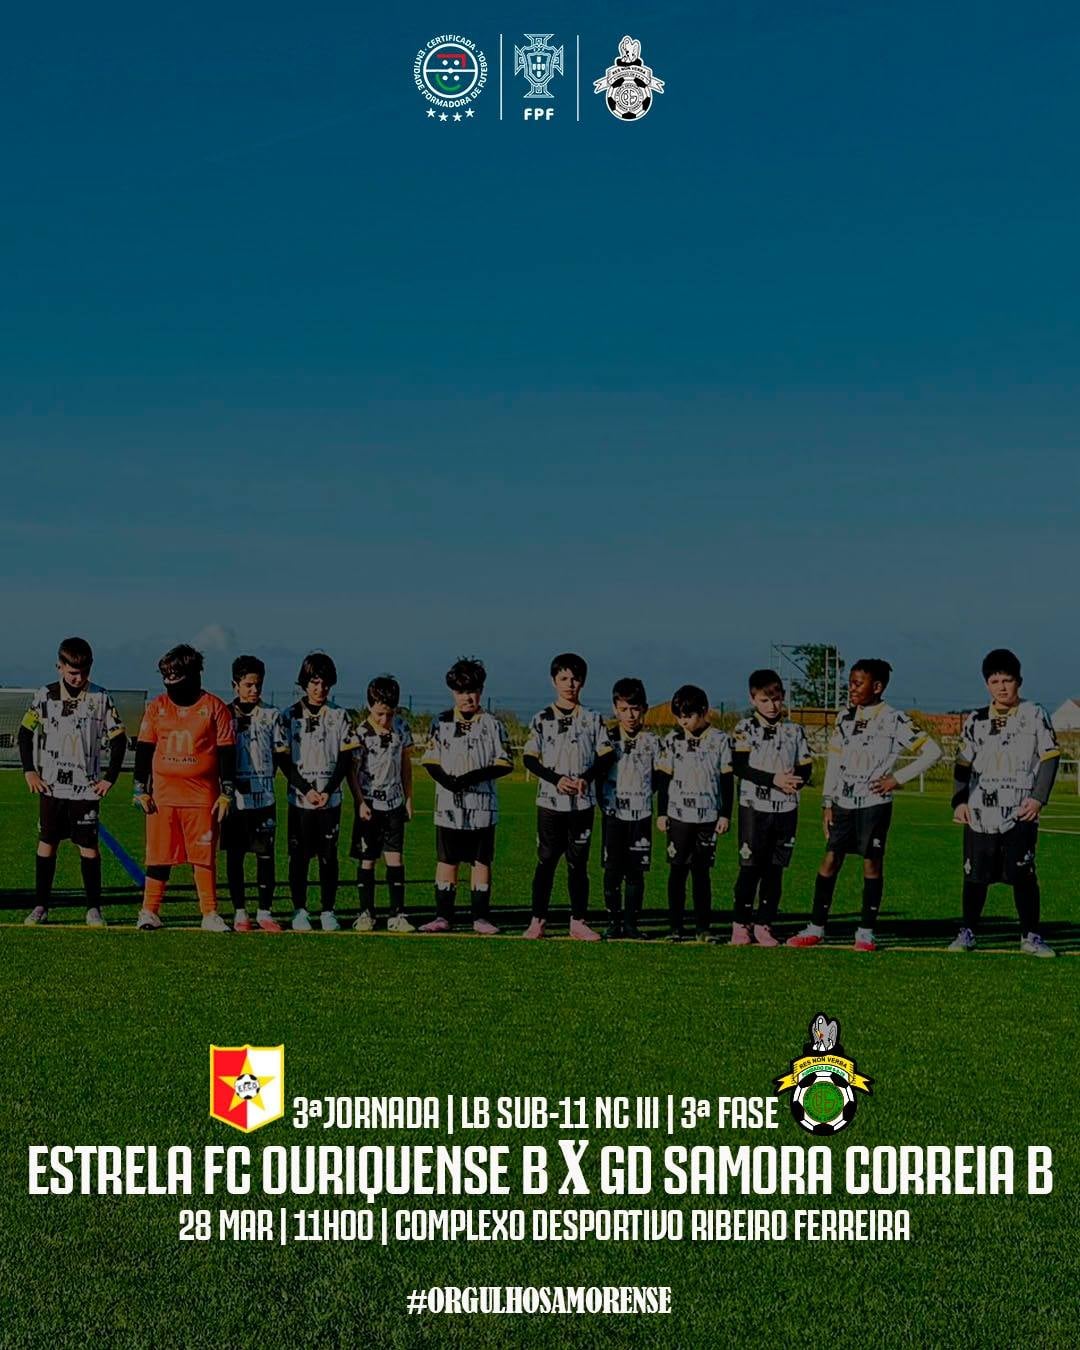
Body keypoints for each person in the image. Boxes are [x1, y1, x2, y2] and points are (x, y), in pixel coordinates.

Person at [787, 658, 941, 952]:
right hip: (843, 803)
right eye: (851, 683)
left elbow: (933, 751)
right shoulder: (844, 718)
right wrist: (827, 801)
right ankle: (816, 927)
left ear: (878, 687)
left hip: (874, 804)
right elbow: (835, 760)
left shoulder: (894, 719)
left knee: (871, 862)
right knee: (830, 859)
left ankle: (866, 932)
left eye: (859, 683)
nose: (852, 688)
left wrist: (896, 778)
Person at [949, 649, 1061, 957]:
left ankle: (1031, 935)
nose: (1001, 687)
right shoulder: (976, 720)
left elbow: (1050, 756)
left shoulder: (1034, 713)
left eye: (1007, 680)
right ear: (987, 684)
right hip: (980, 812)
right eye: (995, 681)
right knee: (975, 875)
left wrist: (1038, 798)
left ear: (1018, 682)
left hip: (1020, 810)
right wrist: (959, 801)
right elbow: (962, 763)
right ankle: (968, 931)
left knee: (1023, 874)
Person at [20, 637, 127, 927]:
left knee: (89, 847)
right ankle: (41, 906)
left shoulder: (101, 698)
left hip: (86, 789)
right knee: (47, 844)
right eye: (72, 673)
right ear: (59, 667)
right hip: (51, 786)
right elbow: (25, 733)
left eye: (84, 672)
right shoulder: (45, 696)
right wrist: (30, 771)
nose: (78, 678)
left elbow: (119, 740)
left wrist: (109, 779)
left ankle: (93, 909)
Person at [133, 644, 234, 932]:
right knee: (158, 855)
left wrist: (226, 792)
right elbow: (144, 749)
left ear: (192, 674)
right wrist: (140, 788)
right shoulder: (157, 708)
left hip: (202, 798)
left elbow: (227, 752)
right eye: (165, 675)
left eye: (175, 674)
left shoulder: (215, 708)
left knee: (203, 857)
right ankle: (149, 912)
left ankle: (209, 914)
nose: (169, 681)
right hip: (163, 799)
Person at [522, 653, 614, 940]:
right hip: (550, 804)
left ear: (582, 682)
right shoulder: (541, 718)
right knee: (546, 862)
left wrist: (586, 778)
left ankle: (578, 921)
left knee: (578, 865)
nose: (569, 684)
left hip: (582, 805)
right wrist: (556, 780)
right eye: (563, 678)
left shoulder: (592, 718)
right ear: (554, 681)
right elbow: (529, 758)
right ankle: (538, 920)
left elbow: (606, 755)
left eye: (575, 679)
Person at [419, 657, 513, 934]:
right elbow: (430, 759)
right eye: (461, 691)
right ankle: (442, 916)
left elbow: (505, 762)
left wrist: (472, 777)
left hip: (482, 806)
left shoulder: (493, 724)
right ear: (453, 692)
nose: (466, 697)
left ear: (481, 690)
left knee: (480, 861)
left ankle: (481, 917)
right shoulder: (441, 722)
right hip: (448, 806)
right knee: (447, 860)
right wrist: (448, 781)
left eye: (472, 691)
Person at [730, 669, 813, 946]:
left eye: (776, 699)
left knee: (775, 870)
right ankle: (740, 923)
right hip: (754, 808)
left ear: (783, 697)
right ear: (753, 699)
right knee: (750, 868)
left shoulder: (794, 730)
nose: (772, 705)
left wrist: (795, 782)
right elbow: (740, 767)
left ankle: (764, 924)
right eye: (765, 700)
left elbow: (806, 766)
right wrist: (774, 779)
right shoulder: (745, 728)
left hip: (786, 809)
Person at [279, 652, 358, 931]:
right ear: (304, 683)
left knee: (328, 856)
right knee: (299, 857)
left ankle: (328, 911)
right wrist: (305, 789)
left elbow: (346, 759)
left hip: (330, 800)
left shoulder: (340, 715)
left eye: (325, 683)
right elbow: (284, 761)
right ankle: (300, 910)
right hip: (300, 800)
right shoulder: (288, 716)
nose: (320, 688)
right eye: (314, 682)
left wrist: (329, 790)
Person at [654, 684, 733, 942]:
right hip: (678, 817)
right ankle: (675, 928)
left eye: (688, 715)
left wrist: (725, 814)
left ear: (704, 711)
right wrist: (662, 813)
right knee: (677, 872)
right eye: (679, 716)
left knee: (701, 873)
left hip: (707, 818)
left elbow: (727, 780)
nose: (683, 721)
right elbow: (664, 779)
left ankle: (703, 928)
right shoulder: (672, 740)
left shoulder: (720, 740)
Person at [222, 655, 286, 932]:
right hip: (233, 800)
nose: (254, 690)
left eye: (258, 684)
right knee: (235, 856)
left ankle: (264, 911)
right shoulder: (224, 714)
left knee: (266, 856)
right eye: (248, 685)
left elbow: (280, 756)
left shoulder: (272, 715)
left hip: (264, 799)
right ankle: (240, 912)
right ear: (235, 685)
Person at [349, 674, 415, 933]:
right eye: (379, 714)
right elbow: (352, 772)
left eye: (389, 714)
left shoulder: (402, 728)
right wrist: (360, 802)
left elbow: (406, 765)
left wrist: (408, 799)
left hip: (394, 803)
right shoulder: (361, 733)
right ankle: (366, 913)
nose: (384, 720)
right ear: (369, 706)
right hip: (369, 805)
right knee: (368, 860)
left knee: (395, 859)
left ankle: (397, 914)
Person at [600, 677, 663, 939]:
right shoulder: (606, 740)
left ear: (644, 708)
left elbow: (660, 777)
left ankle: (631, 924)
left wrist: (644, 795)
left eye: (635, 709)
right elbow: (598, 774)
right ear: (615, 708)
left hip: (641, 815)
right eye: (624, 709)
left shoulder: (653, 741)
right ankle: (613, 923)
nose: (630, 715)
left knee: (636, 872)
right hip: (613, 815)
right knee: (612, 871)